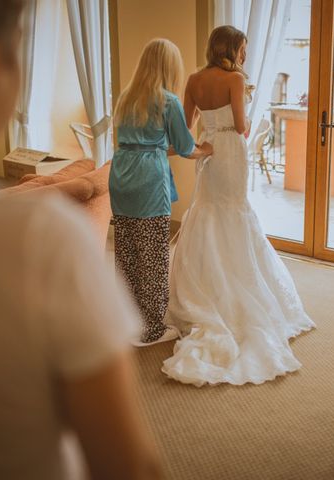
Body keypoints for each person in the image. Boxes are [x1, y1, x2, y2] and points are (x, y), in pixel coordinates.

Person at [0, 1, 162, 478]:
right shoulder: (40, 240)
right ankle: (98, 177)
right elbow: (128, 467)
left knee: (77, 185)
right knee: (89, 190)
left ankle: (94, 177)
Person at [162, 26, 316, 387]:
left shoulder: (195, 79)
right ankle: (234, 286)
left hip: (208, 152)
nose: (245, 55)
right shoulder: (234, 78)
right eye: (243, 48)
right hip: (231, 151)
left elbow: (185, 129)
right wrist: (237, 111)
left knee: (208, 209)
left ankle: (204, 283)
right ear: (230, 48)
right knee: (233, 211)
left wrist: (203, 143)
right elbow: (243, 126)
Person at [109, 38, 212, 346]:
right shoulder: (167, 100)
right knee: (153, 255)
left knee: (126, 252)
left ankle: (127, 319)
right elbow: (184, 147)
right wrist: (206, 150)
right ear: (169, 67)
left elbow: (143, 142)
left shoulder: (127, 96)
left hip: (121, 175)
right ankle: (152, 329)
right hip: (147, 182)